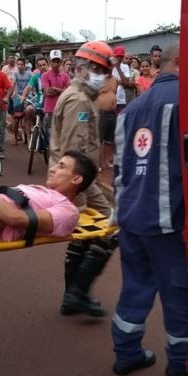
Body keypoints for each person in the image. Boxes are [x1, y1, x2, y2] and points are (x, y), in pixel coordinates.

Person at [110, 43, 188, 376]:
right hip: (170, 219)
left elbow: (119, 169)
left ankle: (127, 353)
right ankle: (184, 362)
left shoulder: (130, 109)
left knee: (135, 287)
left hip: (131, 216)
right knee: (183, 295)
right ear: (182, 63)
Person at [50, 40, 118, 317]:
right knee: (112, 227)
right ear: (87, 68)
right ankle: (77, 292)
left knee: (84, 234)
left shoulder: (79, 96)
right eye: (100, 70)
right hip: (78, 181)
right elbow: (73, 157)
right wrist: (76, 196)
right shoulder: (78, 100)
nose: (104, 77)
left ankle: (73, 295)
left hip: (81, 181)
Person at [41, 49, 71, 150]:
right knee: (50, 133)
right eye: (54, 61)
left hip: (63, 108)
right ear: (50, 62)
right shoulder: (45, 75)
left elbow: (69, 92)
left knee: (63, 133)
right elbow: (47, 92)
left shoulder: (65, 76)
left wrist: (56, 89)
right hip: (50, 109)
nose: (56, 63)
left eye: (58, 61)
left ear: (61, 62)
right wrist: (63, 91)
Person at [10, 57, 32, 144]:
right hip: (18, 98)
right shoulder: (15, 74)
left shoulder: (29, 74)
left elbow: (31, 86)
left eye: (21, 64)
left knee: (27, 118)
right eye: (18, 64)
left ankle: (27, 139)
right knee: (16, 120)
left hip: (28, 97)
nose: (20, 66)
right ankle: (15, 139)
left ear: (24, 65)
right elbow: (13, 83)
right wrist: (13, 93)